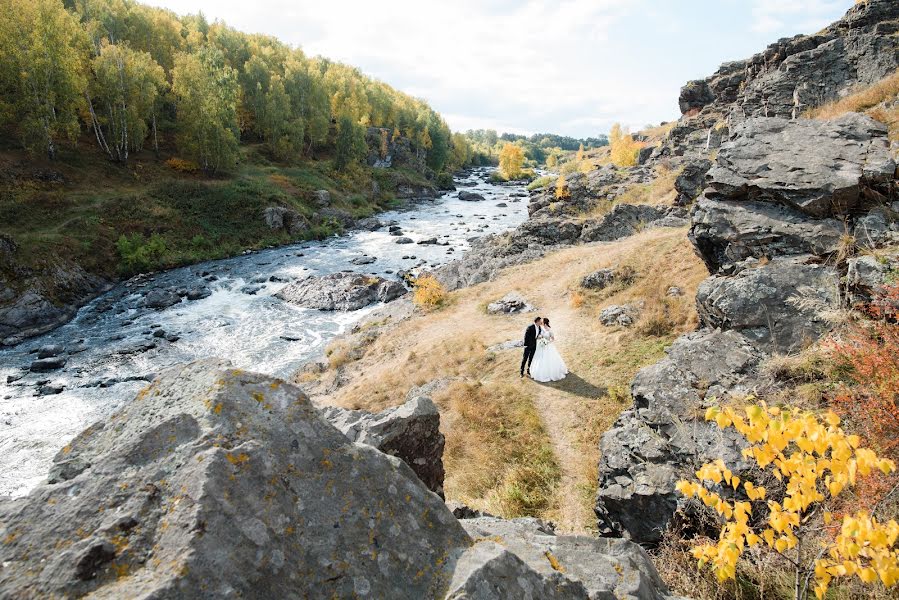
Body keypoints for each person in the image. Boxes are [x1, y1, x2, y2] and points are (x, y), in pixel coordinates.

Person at [529, 317, 568, 382]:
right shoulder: (540, 328)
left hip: (548, 346)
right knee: (540, 358)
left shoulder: (549, 330)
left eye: (542, 321)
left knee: (550, 358)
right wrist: (540, 338)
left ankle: (552, 372)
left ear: (544, 322)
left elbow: (553, 338)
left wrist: (547, 342)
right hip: (541, 346)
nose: (541, 322)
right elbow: (538, 336)